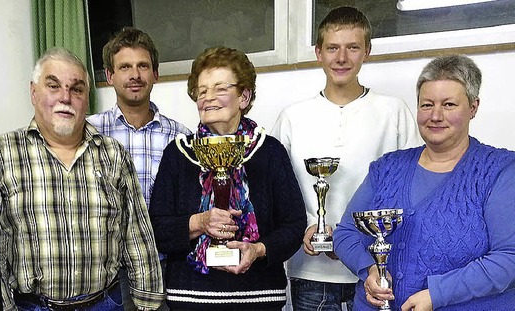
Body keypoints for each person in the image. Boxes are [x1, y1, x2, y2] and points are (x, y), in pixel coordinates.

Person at [0, 47, 164, 311]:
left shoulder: (113, 154)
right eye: (53, 86)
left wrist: (148, 301)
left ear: (86, 99)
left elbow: (136, 233)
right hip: (32, 306)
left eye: (76, 89)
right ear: (34, 92)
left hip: (104, 303)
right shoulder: (2, 152)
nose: (65, 98)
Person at [334, 54, 515, 310]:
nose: (436, 116)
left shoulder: (501, 170)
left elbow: (509, 258)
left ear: (473, 107)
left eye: (449, 105)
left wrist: (436, 295)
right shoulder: (386, 168)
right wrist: (369, 270)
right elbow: (346, 232)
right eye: (426, 105)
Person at [271, 6, 422, 310]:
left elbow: (411, 189)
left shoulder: (394, 112)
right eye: (332, 48)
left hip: (375, 271)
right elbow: (276, 192)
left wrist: (353, 242)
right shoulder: (292, 117)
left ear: (367, 51)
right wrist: (306, 228)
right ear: (318, 52)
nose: (341, 58)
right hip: (310, 273)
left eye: (353, 47)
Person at [148, 46, 307, 310]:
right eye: (202, 91)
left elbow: (293, 224)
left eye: (220, 88)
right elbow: (156, 228)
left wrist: (258, 250)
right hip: (191, 298)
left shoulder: (270, 151)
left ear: (244, 96)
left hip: (259, 298)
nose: (208, 98)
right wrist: (199, 222)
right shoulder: (178, 154)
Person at [87, 26, 191, 311]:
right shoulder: (89, 133)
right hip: (106, 274)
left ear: (155, 74)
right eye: (125, 67)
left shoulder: (180, 137)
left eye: (143, 66)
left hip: (164, 266)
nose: (135, 75)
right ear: (109, 76)